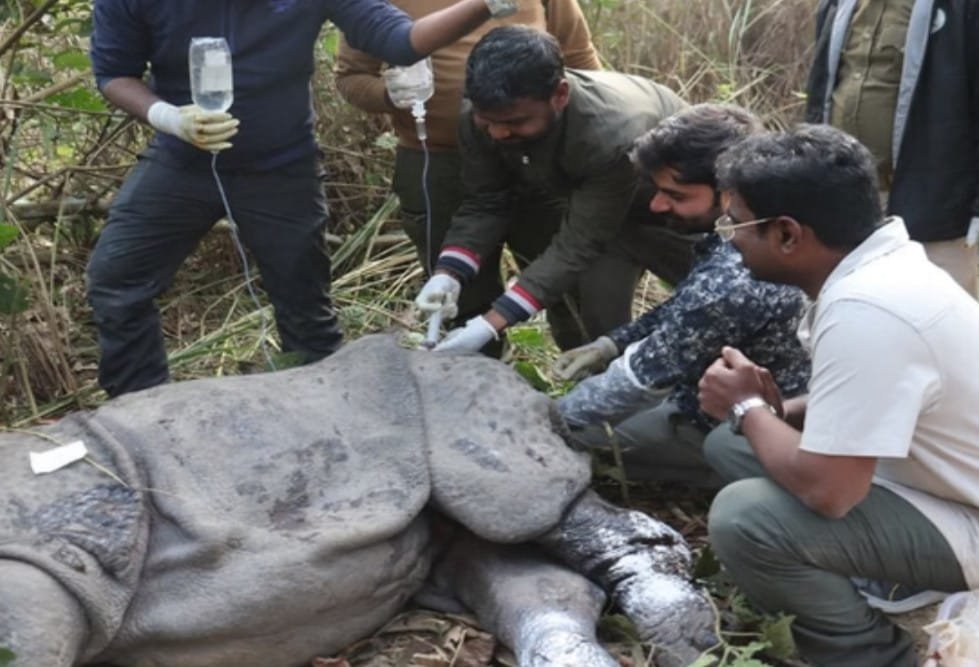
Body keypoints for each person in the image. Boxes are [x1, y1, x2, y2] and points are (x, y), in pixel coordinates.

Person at [87, 0, 520, 397]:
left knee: (305, 313)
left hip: (282, 168)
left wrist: (483, 4)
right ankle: (139, 410)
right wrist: (167, 117)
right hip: (181, 161)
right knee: (117, 281)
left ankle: (321, 412)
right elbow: (114, 73)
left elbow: (400, 41)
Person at [698, 124, 979, 666]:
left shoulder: (867, 310)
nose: (729, 238)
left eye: (736, 224)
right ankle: (886, 574)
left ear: (787, 234)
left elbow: (832, 493)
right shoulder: (882, 267)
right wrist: (772, 413)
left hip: (966, 513)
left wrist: (746, 406)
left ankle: (873, 655)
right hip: (941, 479)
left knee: (745, 518)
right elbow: (881, 406)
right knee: (731, 444)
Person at [553, 104, 810, 487]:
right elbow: (683, 310)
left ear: (728, 195)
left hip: (741, 423)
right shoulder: (765, 224)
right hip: (750, 393)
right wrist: (611, 344)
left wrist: (546, 418)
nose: (657, 205)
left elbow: (637, 380)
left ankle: (731, 472)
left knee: (577, 439)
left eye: (675, 194)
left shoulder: (732, 279)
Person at [334, 0, 601, 346]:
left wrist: (588, 138)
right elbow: (351, 77)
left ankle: (587, 365)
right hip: (438, 161)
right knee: (460, 294)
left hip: (540, 155)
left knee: (570, 286)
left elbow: (579, 57)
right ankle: (475, 368)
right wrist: (389, 94)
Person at [414, 25, 691, 354]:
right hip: (604, 210)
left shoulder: (609, 134)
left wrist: (491, 323)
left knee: (715, 304)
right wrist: (449, 273)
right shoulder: (481, 118)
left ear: (560, 95)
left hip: (684, 210)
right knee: (596, 326)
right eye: (487, 120)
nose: (498, 133)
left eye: (515, 122)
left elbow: (578, 244)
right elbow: (487, 201)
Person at [805, 0, 979, 296]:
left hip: (937, 207)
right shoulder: (840, 4)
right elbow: (821, 88)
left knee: (937, 309)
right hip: (849, 199)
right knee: (857, 304)